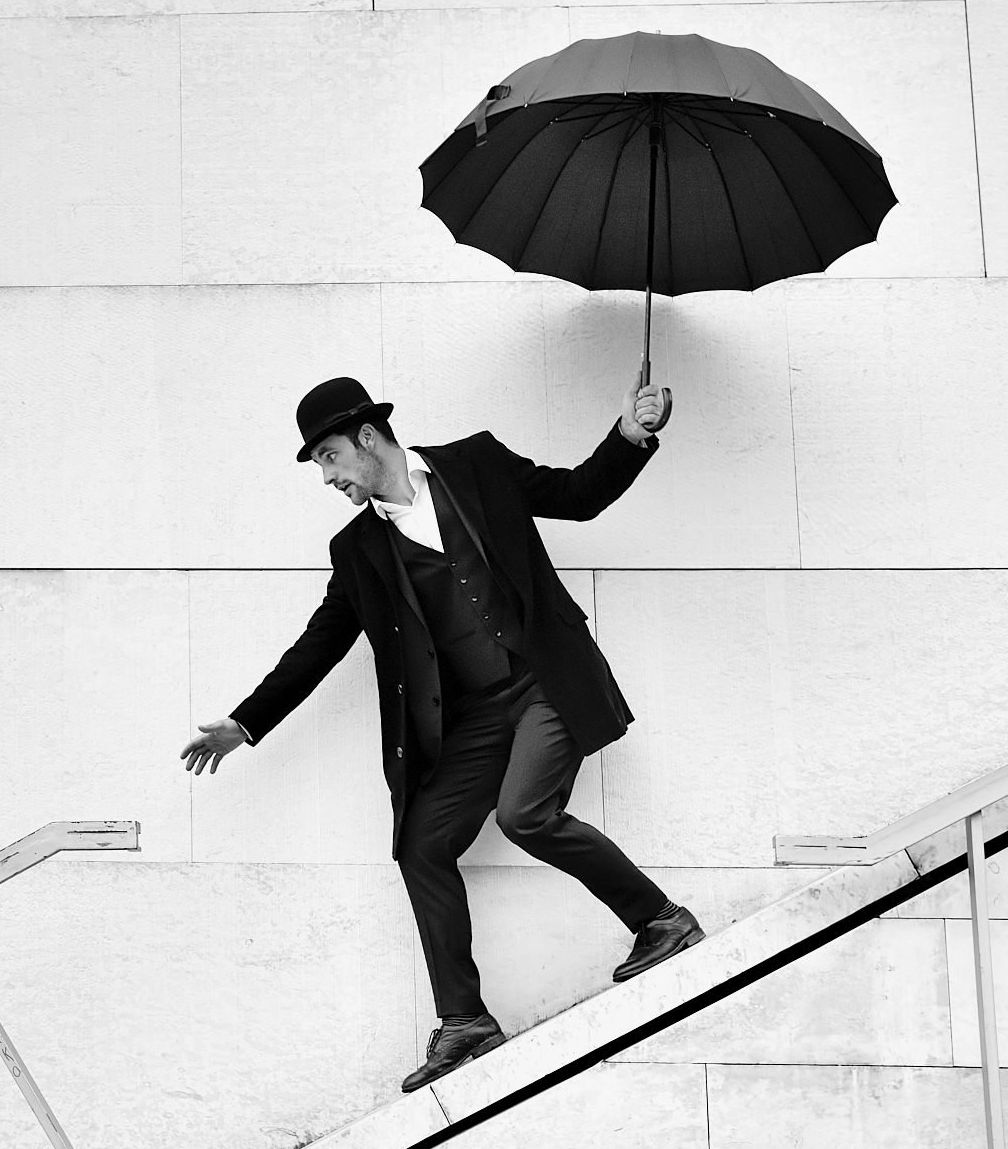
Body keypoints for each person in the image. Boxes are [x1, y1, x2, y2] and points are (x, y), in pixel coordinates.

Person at [180, 373, 704, 1093]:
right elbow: (319, 645)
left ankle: (661, 919)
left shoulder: (476, 463)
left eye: (330, 457)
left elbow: (577, 496)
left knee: (526, 814)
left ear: (368, 437)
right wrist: (246, 721)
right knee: (422, 843)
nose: (328, 476)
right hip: (477, 716)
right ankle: (465, 1020)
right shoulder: (358, 549)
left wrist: (631, 435)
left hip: (545, 682)